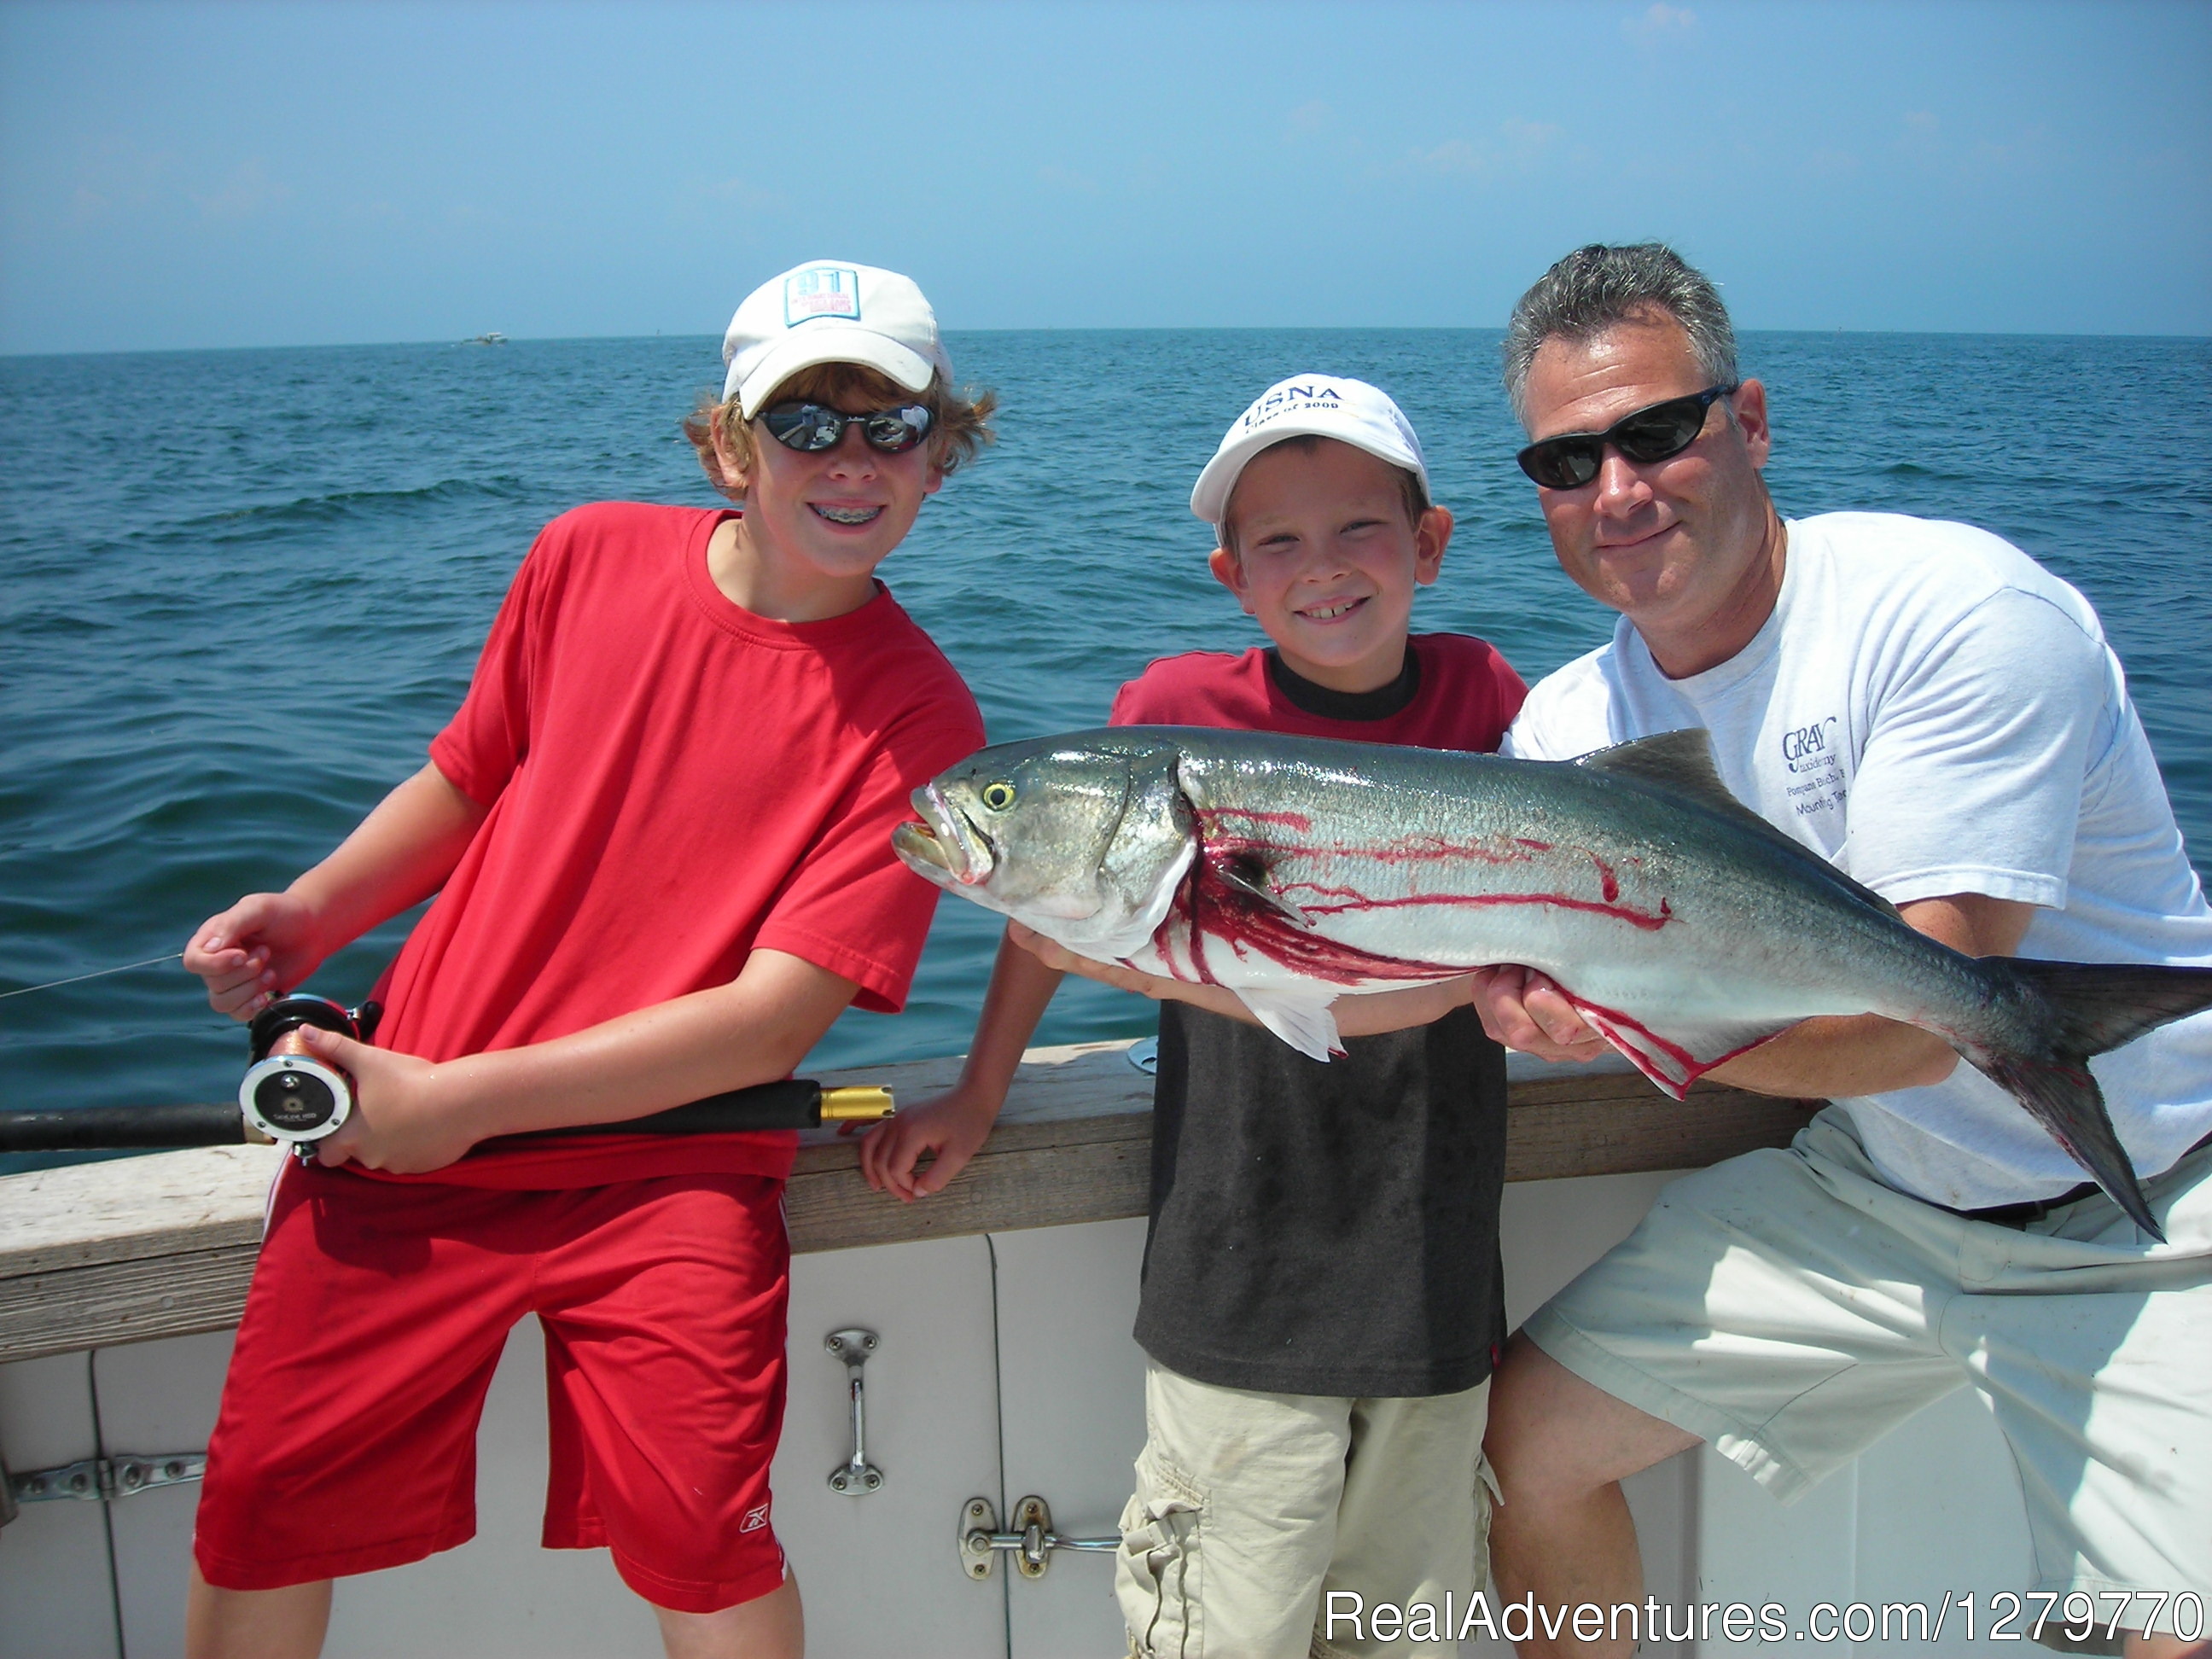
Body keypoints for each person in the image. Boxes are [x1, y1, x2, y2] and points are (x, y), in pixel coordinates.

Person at [178, 260, 992, 1659]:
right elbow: (465, 778)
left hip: (672, 1168)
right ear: (728, 445)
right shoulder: (585, 553)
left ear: (940, 456)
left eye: (891, 426)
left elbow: (764, 1028)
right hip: (405, 1131)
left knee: (699, 1541)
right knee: (260, 1501)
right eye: (804, 423)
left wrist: (464, 1103)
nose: (849, 460)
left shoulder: (924, 724)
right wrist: (310, 915)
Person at [1470, 243, 2211, 1659]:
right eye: (1567, 463)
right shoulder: (1566, 731)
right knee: (1527, 1446)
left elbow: (1926, 1018)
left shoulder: (1954, 616)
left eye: (1656, 432)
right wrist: (1519, 1002)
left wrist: (1626, 1020)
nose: (1616, 491)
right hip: (1878, 1190)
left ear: (1747, 424)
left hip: (2155, 1201)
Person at [861, 375, 1527, 1657]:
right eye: (1278, 540)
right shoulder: (1174, 718)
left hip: (1439, 1281)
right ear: (1230, 573)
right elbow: (1056, 918)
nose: (1320, 568)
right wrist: (984, 1091)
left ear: (1431, 546)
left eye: (1359, 530)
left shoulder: (1487, 698)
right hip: (1239, 1283)